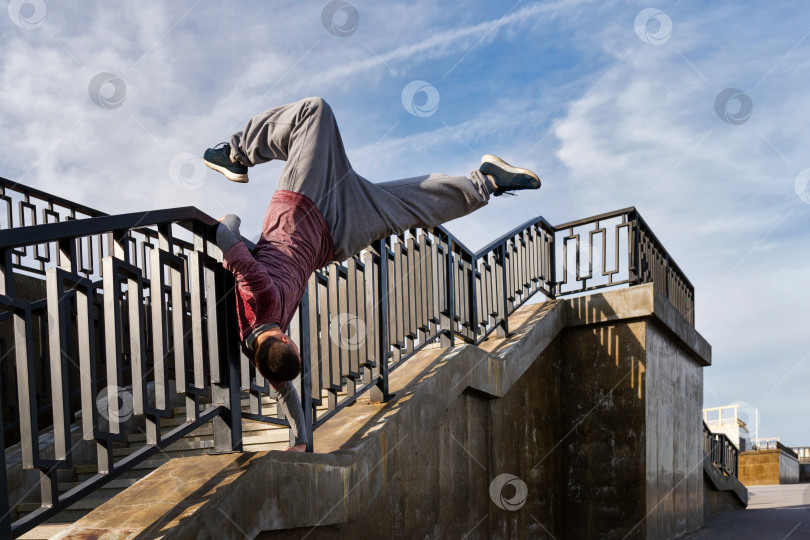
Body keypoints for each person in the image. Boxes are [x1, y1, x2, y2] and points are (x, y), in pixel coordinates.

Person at [204, 97, 541, 451]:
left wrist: (232, 222)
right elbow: (285, 392)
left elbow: (225, 235)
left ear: (286, 342)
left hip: (311, 208)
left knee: (320, 118)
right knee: (400, 198)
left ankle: (234, 154)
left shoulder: (260, 296)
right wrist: (301, 440)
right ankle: (486, 181)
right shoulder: (254, 346)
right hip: (330, 230)